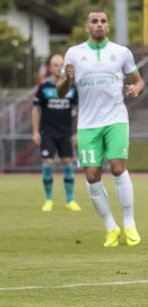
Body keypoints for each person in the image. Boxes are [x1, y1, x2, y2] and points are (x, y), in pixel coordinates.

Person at [57, 11, 144, 247]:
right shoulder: (74, 54)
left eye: (103, 21)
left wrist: (137, 89)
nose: (99, 25)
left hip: (116, 119)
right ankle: (110, 227)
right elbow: (61, 91)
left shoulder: (121, 52)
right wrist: (66, 78)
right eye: (94, 21)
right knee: (92, 175)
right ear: (87, 26)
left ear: (108, 26)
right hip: (87, 124)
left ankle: (129, 222)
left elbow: (139, 80)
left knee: (117, 167)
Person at [33, 54, 82, 212]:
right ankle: (48, 200)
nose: (57, 67)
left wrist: (76, 132)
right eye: (54, 65)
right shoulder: (44, 86)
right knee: (47, 163)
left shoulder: (71, 87)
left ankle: (70, 200)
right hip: (47, 132)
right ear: (50, 67)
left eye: (61, 65)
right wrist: (35, 131)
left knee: (68, 164)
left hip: (66, 133)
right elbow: (36, 109)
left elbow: (78, 110)